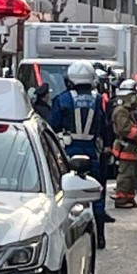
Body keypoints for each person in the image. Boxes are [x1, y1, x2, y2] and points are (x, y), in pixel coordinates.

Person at [49, 60, 111, 248]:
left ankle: (70, 236)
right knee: (96, 193)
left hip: (69, 151)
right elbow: (107, 126)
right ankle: (100, 236)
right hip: (93, 150)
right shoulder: (100, 99)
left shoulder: (63, 99)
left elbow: (53, 125)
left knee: (67, 194)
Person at [111, 78, 137, 209]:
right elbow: (125, 130)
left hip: (131, 148)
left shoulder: (127, 111)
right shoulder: (121, 111)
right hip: (126, 148)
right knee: (125, 175)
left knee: (134, 175)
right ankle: (121, 199)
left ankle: (129, 198)